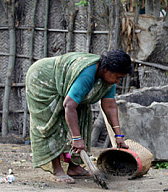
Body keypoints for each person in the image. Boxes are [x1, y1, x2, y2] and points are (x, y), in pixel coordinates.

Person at [25, 50, 133, 184]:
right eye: (117, 77)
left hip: (65, 86)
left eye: (120, 78)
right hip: (43, 79)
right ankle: (57, 169)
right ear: (105, 69)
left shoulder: (108, 79)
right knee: (53, 121)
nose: (117, 81)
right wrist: (76, 138)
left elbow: (110, 105)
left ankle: (74, 167)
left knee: (82, 117)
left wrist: (119, 136)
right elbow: (69, 106)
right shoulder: (87, 74)